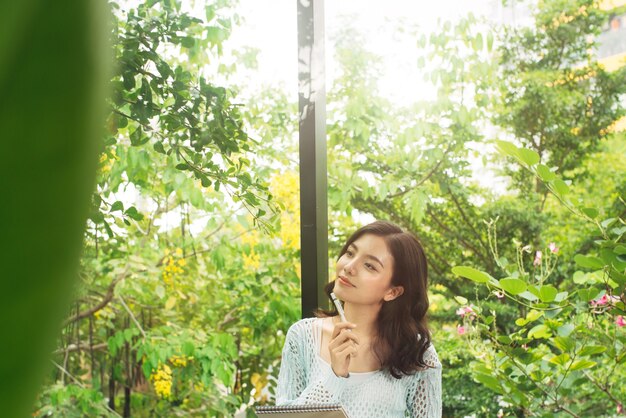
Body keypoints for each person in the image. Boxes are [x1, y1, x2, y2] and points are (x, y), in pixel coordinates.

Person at [276, 221, 442, 417]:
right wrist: (334, 376)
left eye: (370, 266)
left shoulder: (417, 353)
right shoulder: (302, 336)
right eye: (350, 253)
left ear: (393, 291)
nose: (349, 267)